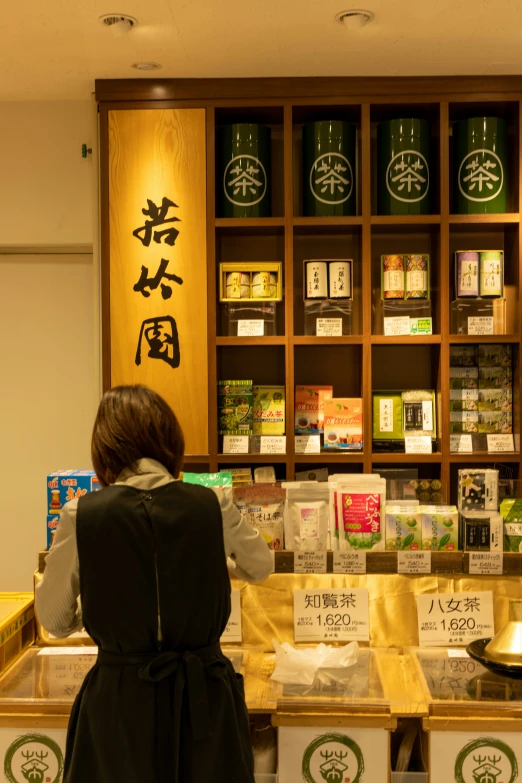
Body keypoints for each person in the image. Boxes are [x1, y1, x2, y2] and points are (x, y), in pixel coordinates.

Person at [36, 384, 274, 783]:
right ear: (169, 441)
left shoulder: (82, 514)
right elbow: (261, 566)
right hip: (205, 697)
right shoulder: (211, 503)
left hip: (119, 699)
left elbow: (55, 620)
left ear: (105, 448)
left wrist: (95, 610)